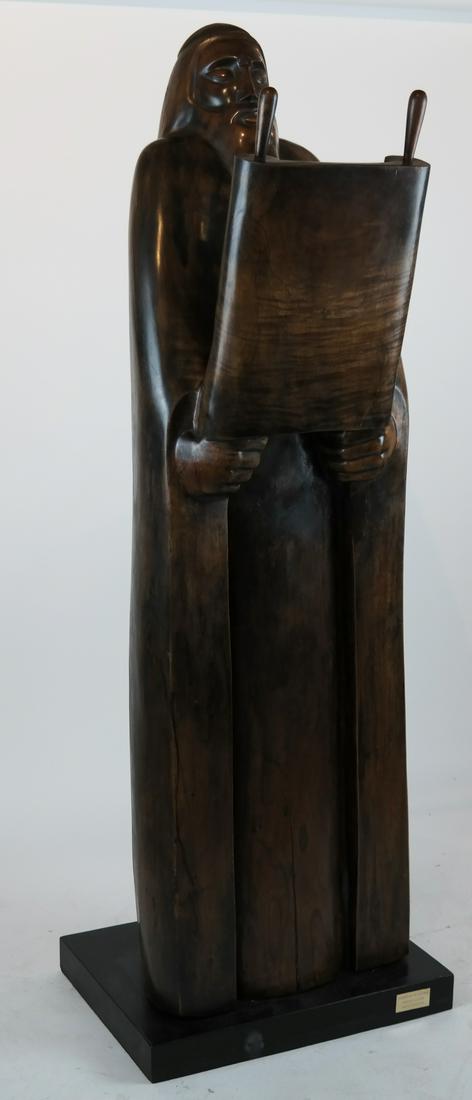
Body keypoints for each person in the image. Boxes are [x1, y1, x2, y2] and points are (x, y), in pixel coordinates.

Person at [129, 23, 409, 1017]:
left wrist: (382, 420)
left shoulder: (303, 173)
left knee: (314, 711)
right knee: (212, 725)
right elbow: (162, 335)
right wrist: (189, 433)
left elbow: (366, 320)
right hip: (221, 506)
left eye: (254, 69)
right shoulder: (170, 174)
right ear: (186, 94)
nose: (245, 85)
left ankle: (350, 933)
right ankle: (206, 968)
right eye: (221, 70)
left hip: (312, 507)